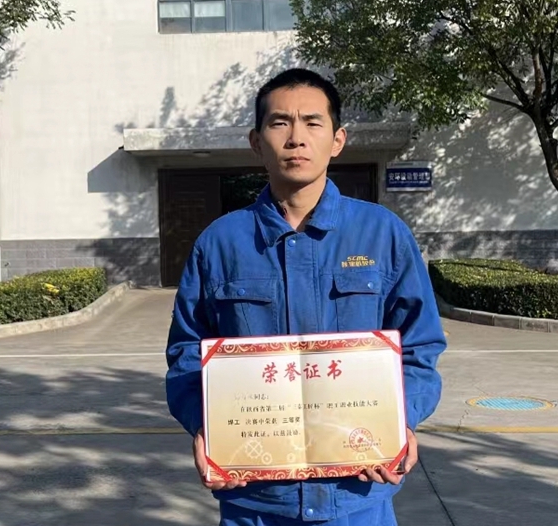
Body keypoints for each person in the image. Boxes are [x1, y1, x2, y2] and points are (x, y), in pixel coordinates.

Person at [165, 68, 447, 526]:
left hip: (358, 492)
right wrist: (205, 424)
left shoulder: (382, 234)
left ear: (337, 140)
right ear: (256, 141)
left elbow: (420, 345)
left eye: (313, 123)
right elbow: (186, 352)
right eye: (280, 123)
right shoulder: (219, 243)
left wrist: (401, 418)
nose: (296, 138)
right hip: (255, 498)